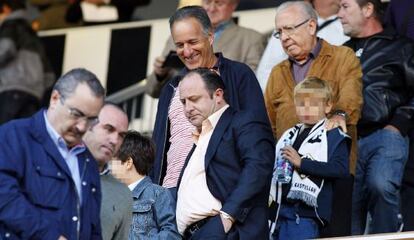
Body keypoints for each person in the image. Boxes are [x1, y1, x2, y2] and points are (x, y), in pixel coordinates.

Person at [264, 1, 362, 237]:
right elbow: (269, 123)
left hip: (332, 175)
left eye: (290, 29)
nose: (284, 37)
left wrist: (339, 114)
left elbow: (352, 96)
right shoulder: (277, 73)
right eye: (280, 32)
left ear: (311, 25)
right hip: (287, 180)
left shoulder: (343, 57)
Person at [149, 6, 268, 195]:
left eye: (192, 42)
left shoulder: (238, 75)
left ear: (210, 37)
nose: (186, 51)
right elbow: (158, 147)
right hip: (169, 193)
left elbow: (258, 144)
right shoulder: (170, 88)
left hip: (218, 192)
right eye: (179, 45)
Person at [0, 68, 105, 239]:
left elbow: (93, 227)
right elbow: (5, 198)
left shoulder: (88, 161)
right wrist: (50, 236)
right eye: (77, 114)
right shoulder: (13, 136)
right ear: (55, 99)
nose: (82, 127)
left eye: (91, 119)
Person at [338, 0, 414, 234]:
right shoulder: (341, 52)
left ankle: (390, 234)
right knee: (349, 207)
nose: (339, 14)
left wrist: (399, 123)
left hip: (385, 133)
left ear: (368, 9)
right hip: (348, 137)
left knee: (380, 185)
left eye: (345, 6)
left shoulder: (402, 47)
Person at [176, 68, 274, 239]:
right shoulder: (200, 136)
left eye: (194, 99)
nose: (188, 108)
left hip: (225, 231)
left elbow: (258, 167)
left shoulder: (243, 121)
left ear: (218, 95)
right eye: (183, 102)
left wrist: (226, 217)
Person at [270, 77, 350, 240]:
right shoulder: (290, 134)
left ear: (328, 106)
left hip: (305, 215)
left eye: (313, 104)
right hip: (279, 210)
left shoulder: (333, 134)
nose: (306, 109)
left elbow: (341, 169)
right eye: (301, 104)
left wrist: (302, 163)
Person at [145, 0, 265, 98]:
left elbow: (253, 84)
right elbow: (151, 91)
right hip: (179, 112)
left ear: (234, 5)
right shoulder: (176, 38)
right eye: (208, 2)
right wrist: (160, 74)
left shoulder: (251, 38)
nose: (212, 8)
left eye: (219, 3)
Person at [256, 0, 349, 91]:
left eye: (289, 29)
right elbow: (265, 74)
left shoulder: (349, 25)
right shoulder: (285, 26)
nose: (283, 37)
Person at [111, 130, 181, 240]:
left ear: (128, 162)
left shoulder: (158, 194)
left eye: (112, 162)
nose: (109, 168)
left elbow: (172, 233)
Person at [83, 103, 132, 240]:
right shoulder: (54, 169)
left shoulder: (123, 195)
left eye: (121, 135)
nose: (115, 140)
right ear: (87, 125)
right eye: (108, 129)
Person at [0, 0, 55, 124]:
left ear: (6, 9)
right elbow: (49, 76)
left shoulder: (10, 23)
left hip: (11, 89)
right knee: (22, 138)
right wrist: (36, 89)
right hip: (34, 96)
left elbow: (6, 48)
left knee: (4, 136)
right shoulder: (33, 35)